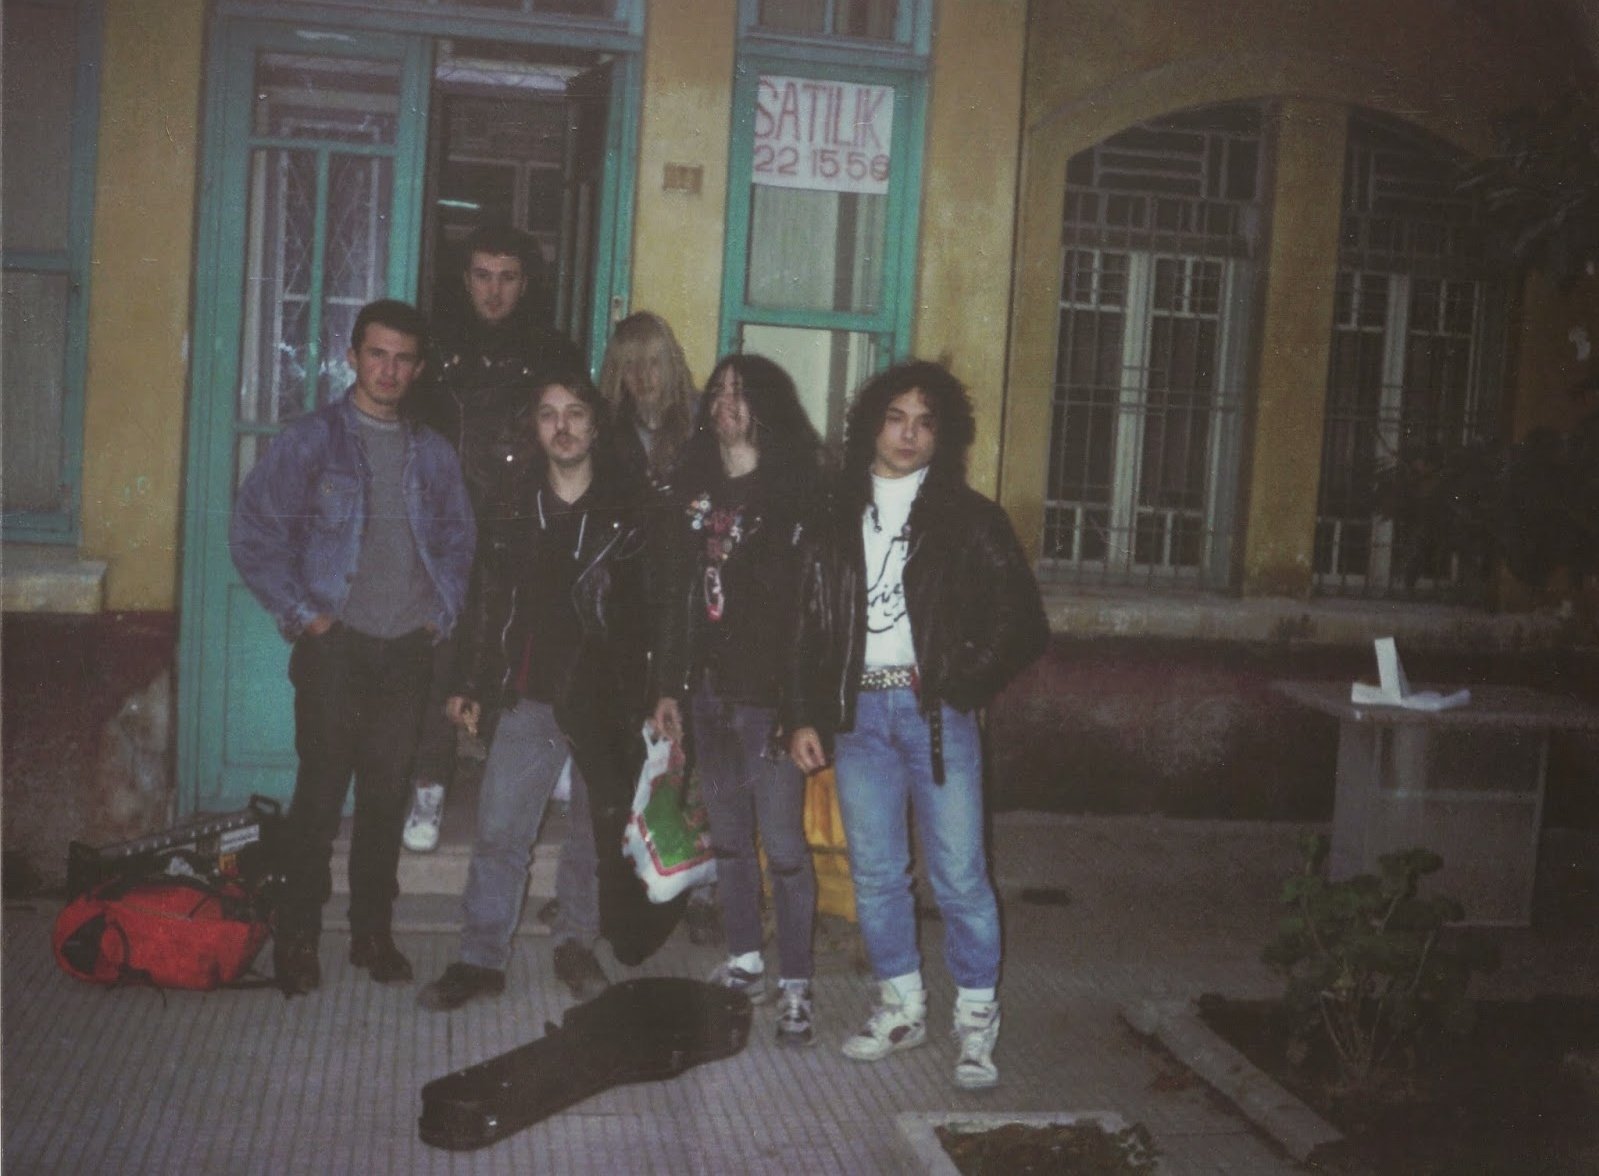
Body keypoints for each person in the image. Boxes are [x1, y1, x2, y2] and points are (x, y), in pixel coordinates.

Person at [785, 360, 1048, 1089]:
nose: (908, 434)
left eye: (924, 422)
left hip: (936, 716)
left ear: (942, 435)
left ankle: (976, 1021)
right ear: (871, 424)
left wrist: (960, 682)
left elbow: (1022, 623)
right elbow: (802, 623)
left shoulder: (968, 518)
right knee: (876, 875)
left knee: (960, 876)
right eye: (896, 418)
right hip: (858, 718)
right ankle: (901, 1006)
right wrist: (801, 714)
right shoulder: (831, 512)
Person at [230, 299, 475, 995]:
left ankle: (372, 934)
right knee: (319, 798)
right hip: (335, 649)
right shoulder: (313, 440)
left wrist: (440, 614)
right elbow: (253, 532)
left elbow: (459, 542)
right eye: (377, 354)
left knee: (386, 799)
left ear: (418, 369)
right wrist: (308, 618)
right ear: (352, 357)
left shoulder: (434, 453)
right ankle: (298, 936)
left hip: (406, 651)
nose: (388, 370)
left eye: (403, 359)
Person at [418, 366, 662, 1011]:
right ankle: (480, 959)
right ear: (534, 426)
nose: (562, 426)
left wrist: (656, 695)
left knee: (589, 836)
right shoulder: (509, 505)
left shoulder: (630, 511)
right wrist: (470, 681)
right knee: (500, 832)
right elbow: (485, 601)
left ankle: (576, 945)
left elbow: (656, 611)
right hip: (529, 695)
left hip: (605, 700)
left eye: (575, 413)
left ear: (595, 425)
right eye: (549, 413)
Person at [651, 354, 823, 1046]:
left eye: (742, 393)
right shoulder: (692, 488)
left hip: (769, 701)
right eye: (718, 391)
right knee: (726, 840)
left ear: (767, 407)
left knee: (782, 847)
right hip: (708, 695)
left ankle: (797, 984)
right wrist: (669, 684)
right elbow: (676, 596)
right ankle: (746, 961)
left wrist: (798, 710)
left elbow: (809, 616)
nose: (726, 402)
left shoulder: (796, 495)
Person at [402, 225, 584, 854]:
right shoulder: (435, 349)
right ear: (465, 279)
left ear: (525, 283)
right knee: (437, 659)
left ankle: (539, 776)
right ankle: (429, 784)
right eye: (482, 275)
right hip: (444, 527)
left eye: (507, 277)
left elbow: (570, 437)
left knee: (525, 652)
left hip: (521, 523)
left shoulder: (553, 353)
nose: (494, 290)